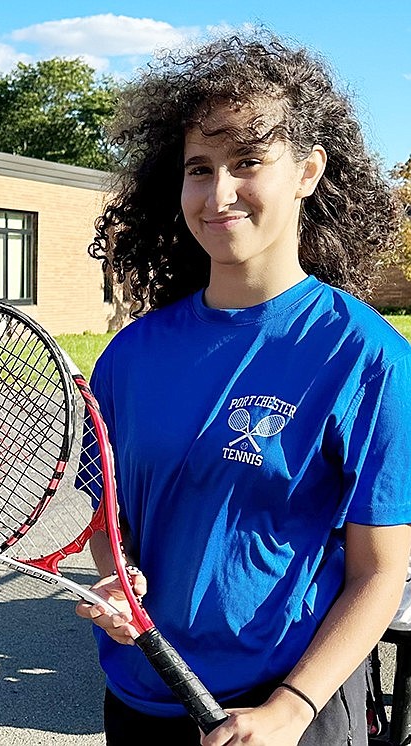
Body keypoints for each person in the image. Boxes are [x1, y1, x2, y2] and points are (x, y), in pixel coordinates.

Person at [76, 32, 411, 746]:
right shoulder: (128, 358)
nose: (218, 191)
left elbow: (380, 572)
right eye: (200, 167)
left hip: (290, 701)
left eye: (247, 161)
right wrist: (119, 574)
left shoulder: (365, 355)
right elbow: (110, 521)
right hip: (142, 693)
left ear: (308, 171)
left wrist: (290, 708)